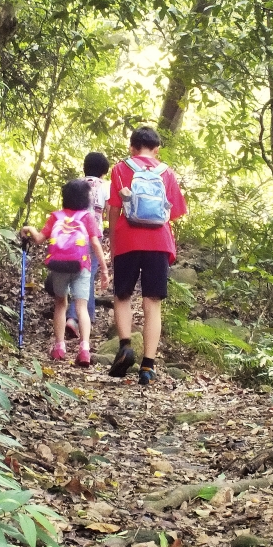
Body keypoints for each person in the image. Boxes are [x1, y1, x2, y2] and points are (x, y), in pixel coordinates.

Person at [107, 126, 187, 386]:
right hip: (159, 243)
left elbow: (114, 209)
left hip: (128, 240)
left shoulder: (120, 169)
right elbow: (173, 213)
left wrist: (113, 244)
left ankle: (126, 346)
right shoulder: (167, 173)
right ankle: (148, 366)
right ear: (157, 150)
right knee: (152, 304)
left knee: (122, 296)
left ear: (132, 147)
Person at [21, 179, 109, 366]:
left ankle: (60, 347)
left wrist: (29, 229)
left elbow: (38, 239)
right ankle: (84, 349)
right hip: (81, 266)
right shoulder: (87, 217)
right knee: (81, 307)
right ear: (85, 198)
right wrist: (104, 270)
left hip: (58, 266)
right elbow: (95, 243)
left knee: (60, 304)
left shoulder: (56, 216)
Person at [66, 152, 110, 338]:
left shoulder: (77, 184)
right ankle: (74, 317)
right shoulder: (105, 186)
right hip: (92, 234)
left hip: (72, 234)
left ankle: (87, 316)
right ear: (103, 171)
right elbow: (108, 211)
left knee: (79, 274)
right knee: (87, 275)